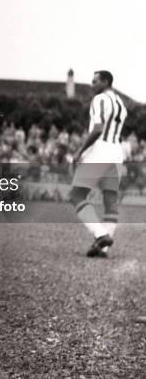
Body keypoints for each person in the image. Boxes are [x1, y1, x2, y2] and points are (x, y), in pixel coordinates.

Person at [69, 71, 127, 257]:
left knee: (77, 194)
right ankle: (103, 247)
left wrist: (80, 151)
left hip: (100, 150)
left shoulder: (100, 99)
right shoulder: (121, 103)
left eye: (95, 81)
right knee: (110, 200)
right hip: (117, 152)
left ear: (105, 81)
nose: (91, 85)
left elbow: (98, 129)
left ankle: (100, 234)